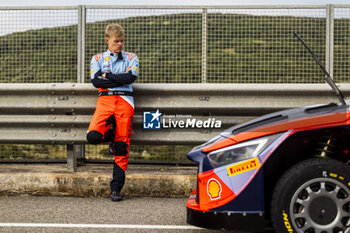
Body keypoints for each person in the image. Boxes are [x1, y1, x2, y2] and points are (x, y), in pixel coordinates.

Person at [87, 23, 139, 202]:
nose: (120, 45)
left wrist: (107, 76)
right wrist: (118, 79)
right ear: (107, 40)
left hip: (125, 101)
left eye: (122, 41)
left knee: (122, 146)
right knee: (92, 136)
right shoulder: (97, 58)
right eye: (116, 41)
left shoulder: (132, 57)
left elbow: (130, 78)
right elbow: (96, 83)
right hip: (105, 101)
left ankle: (116, 189)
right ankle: (110, 137)